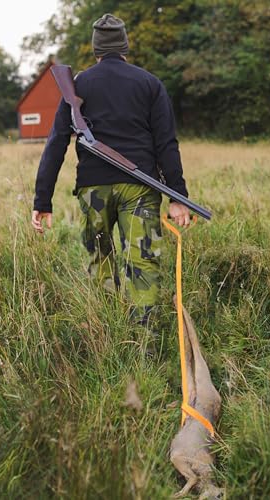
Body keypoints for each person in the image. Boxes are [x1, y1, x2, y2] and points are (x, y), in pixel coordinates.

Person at [31, 13, 190, 330]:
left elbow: (56, 143)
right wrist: (178, 196)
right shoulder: (150, 83)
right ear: (125, 46)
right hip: (141, 188)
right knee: (142, 259)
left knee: (100, 257)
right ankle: (142, 335)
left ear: (96, 49)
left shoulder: (78, 86)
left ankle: (109, 327)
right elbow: (166, 144)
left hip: (94, 189)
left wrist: (42, 200)